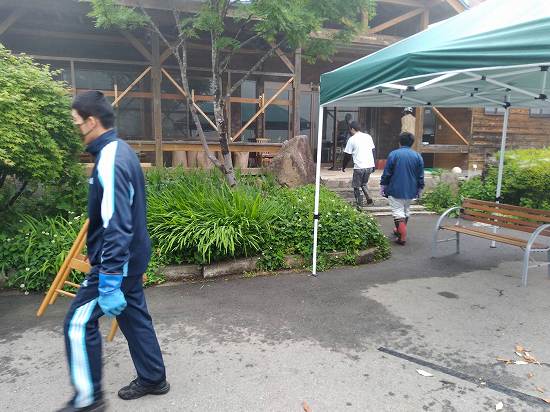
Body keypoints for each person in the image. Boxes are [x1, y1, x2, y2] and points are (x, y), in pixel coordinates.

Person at [59, 91, 169, 412]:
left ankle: (88, 401)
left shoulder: (110, 159)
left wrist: (108, 279)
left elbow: (116, 226)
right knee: (133, 316)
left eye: (77, 123)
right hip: (130, 258)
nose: (77, 130)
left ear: (92, 121)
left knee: (78, 324)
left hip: (117, 264)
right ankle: (153, 377)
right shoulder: (121, 150)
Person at [380, 132, 424, 245]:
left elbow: (387, 173)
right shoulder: (417, 156)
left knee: (398, 213)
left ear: (399, 142)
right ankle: (399, 229)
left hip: (395, 189)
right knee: (405, 211)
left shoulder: (394, 154)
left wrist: (383, 185)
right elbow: (420, 175)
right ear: (412, 143)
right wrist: (420, 188)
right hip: (411, 190)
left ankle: (402, 237)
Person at [342, 121, 376, 208]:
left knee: (356, 186)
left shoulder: (352, 139)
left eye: (350, 129)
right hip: (369, 165)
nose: (350, 131)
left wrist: (344, 166)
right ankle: (369, 198)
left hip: (359, 167)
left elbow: (347, 155)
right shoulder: (368, 137)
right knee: (364, 183)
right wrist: (373, 164)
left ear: (352, 129)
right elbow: (373, 151)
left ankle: (359, 204)